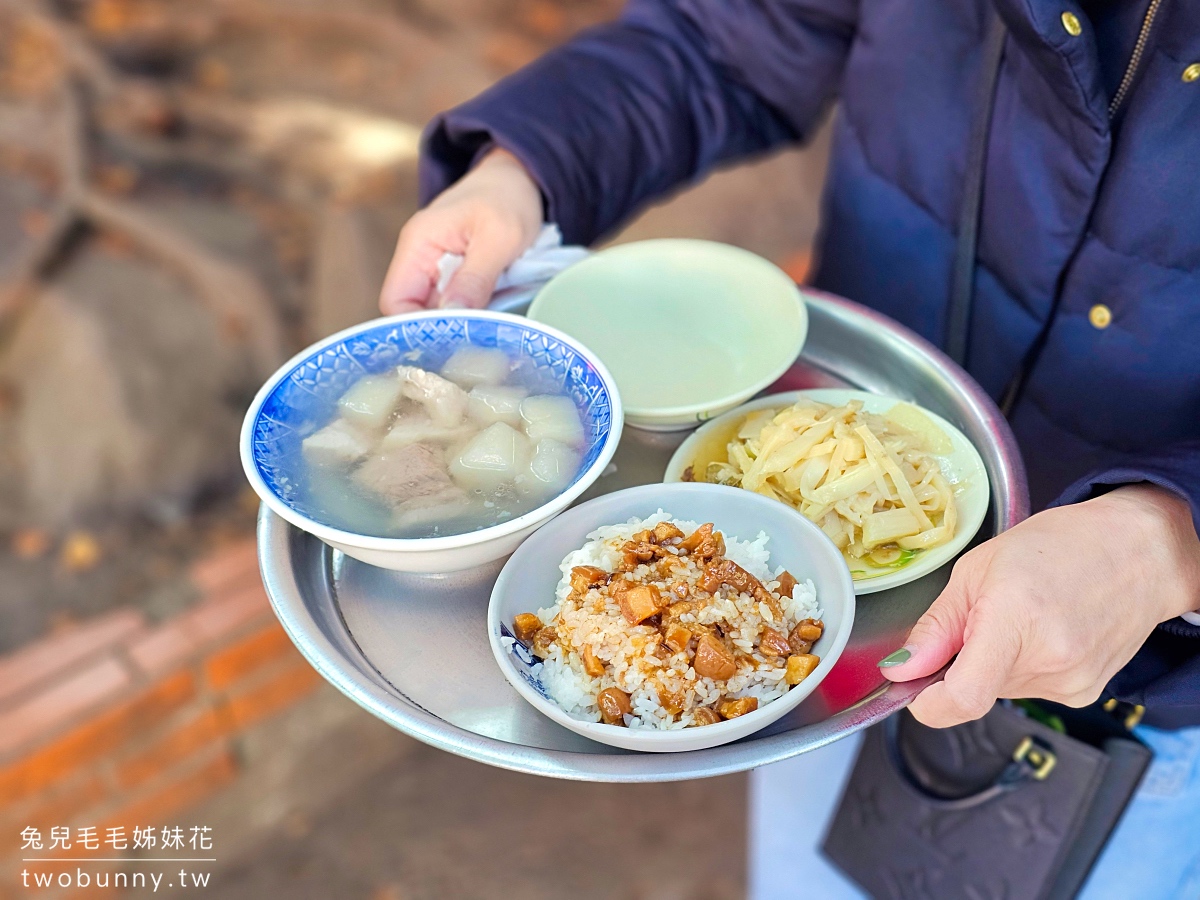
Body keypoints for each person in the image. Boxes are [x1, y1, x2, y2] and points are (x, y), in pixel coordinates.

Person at [378, 1, 1200, 893]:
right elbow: (724, 37)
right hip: (810, 621)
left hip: (1138, 690)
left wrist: (1170, 541)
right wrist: (523, 169)